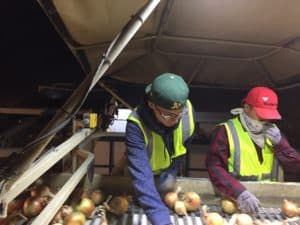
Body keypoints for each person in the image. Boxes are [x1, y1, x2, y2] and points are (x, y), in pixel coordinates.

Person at [206, 86, 300, 214]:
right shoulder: (225, 131)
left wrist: (281, 146)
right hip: (237, 201)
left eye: (268, 117)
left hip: (269, 204)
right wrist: (238, 192)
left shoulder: (274, 133)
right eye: (261, 117)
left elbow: (295, 167)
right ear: (247, 108)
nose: (265, 121)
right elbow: (214, 167)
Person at [125, 73, 195, 225]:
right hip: (143, 173)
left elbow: (183, 146)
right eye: (168, 115)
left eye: (179, 114)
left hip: (168, 169)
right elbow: (141, 176)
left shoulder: (187, 112)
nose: (175, 120)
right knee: (141, 199)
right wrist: (162, 220)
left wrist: (171, 171)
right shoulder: (135, 125)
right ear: (151, 104)